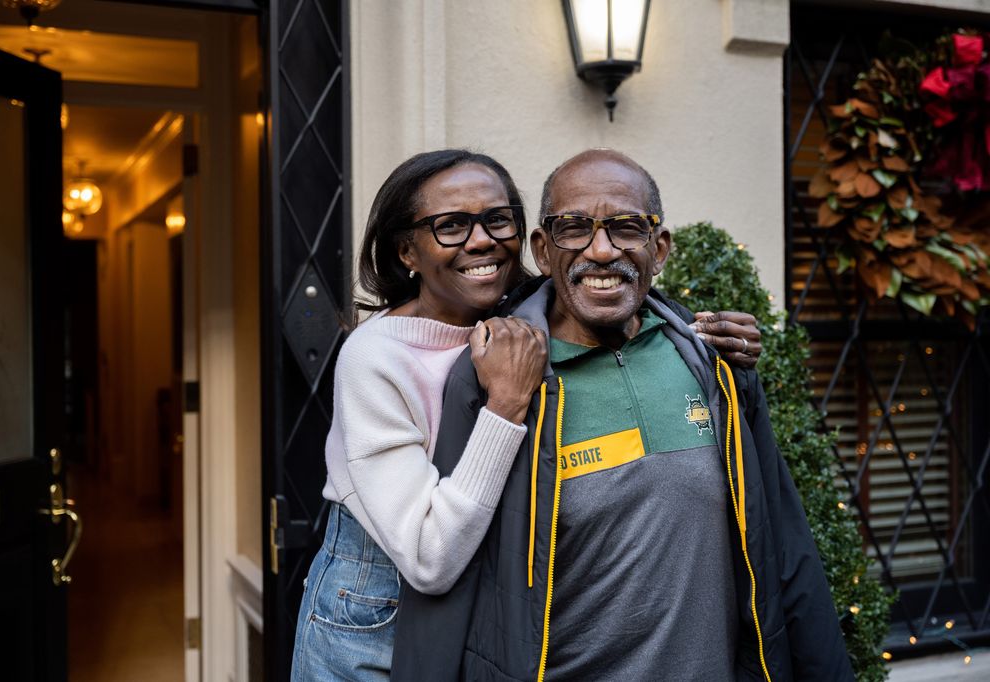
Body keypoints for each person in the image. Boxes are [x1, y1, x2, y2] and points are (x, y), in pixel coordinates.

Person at [291, 149, 764, 681]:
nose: (481, 240)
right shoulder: (376, 357)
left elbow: (607, 294)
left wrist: (705, 336)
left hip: (473, 589)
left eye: (497, 220)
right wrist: (506, 406)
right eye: (450, 226)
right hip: (375, 602)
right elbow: (428, 558)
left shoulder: (513, 316)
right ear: (407, 251)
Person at [391, 149, 853, 681]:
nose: (602, 250)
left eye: (626, 227)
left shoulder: (715, 367)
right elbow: (448, 593)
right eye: (574, 228)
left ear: (658, 249)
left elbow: (785, 551)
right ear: (543, 249)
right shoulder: (494, 378)